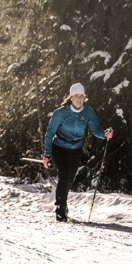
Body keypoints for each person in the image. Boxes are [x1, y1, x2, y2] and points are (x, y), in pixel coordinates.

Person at [43, 83, 113, 222]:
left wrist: (105, 134)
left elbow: (96, 130)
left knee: (70, 179)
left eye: (81, 96)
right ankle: (60, 208)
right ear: (71, 97)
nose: (79, 99)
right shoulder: (60, 113)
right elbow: (50, 132)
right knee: (64, 175)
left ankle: (63, 203)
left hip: (75, 149)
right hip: (59, 147)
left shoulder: (88, 112)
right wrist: (47, 153)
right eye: (76, 96)